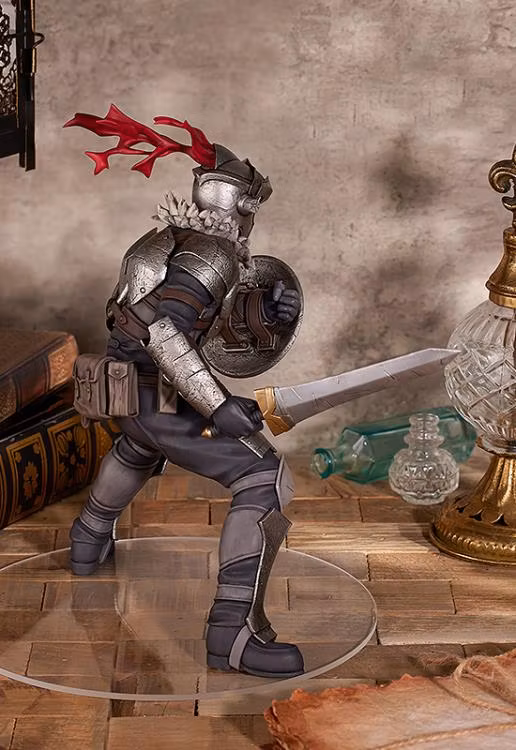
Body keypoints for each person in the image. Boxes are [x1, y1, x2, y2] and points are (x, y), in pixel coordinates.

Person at [65, 106, 304, 678]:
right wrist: (219, 407)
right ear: (241, 206)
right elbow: (167, 333)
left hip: (125, 389)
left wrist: (262, 312)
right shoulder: (213, 252)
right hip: (157, 391)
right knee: (265, 477)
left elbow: (188, 326)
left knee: (138, 447)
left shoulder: (165, 238)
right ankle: (234, 635)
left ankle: (88, 539)